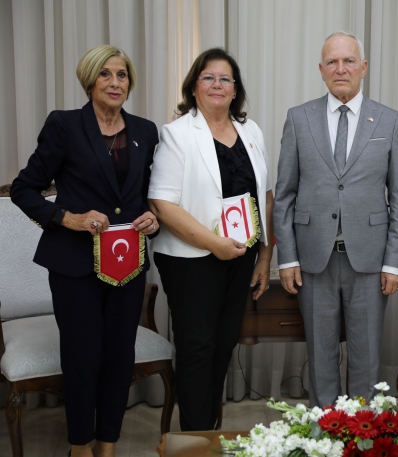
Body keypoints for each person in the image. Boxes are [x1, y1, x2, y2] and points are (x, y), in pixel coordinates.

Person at [10, 45, 159, 457]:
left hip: (128, 264)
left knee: (119, 358)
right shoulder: (65, 125)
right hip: (74, 264)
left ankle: (107, 445)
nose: (115, 83)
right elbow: (24, 189)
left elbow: (148, 196)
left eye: (122, 75)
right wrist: (67, 218)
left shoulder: (146, 131)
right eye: (106, 75)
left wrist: (152, 218)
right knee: (82, 357)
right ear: (90, 81)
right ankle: (79, 446)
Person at [274, 31, 398, 407]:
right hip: (313, 258)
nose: (341, 68)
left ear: (363, 67)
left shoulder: (388, 120)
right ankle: (325, 435)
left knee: (366, 358)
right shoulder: (298, 119)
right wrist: (287, 257)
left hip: (369, 260)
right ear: (321, 70)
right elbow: (283, 194)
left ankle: (361, 437)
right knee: (320, 356)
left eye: (349, 60)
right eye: (332, 62)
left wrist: (395, 262)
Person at [148, 48, 273, 431]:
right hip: (191, 260)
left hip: (241, 256)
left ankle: (208, 431)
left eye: (225, 79)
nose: (217, 85)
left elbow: (265, 196)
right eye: (208, 77)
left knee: (222, 346)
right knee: (198, 349)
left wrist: (265, 257)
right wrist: (213, 244)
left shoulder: (251, 132)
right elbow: (162, 203)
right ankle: (195, 441)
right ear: (194, 86)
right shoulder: (177, 134)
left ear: (236, 90)